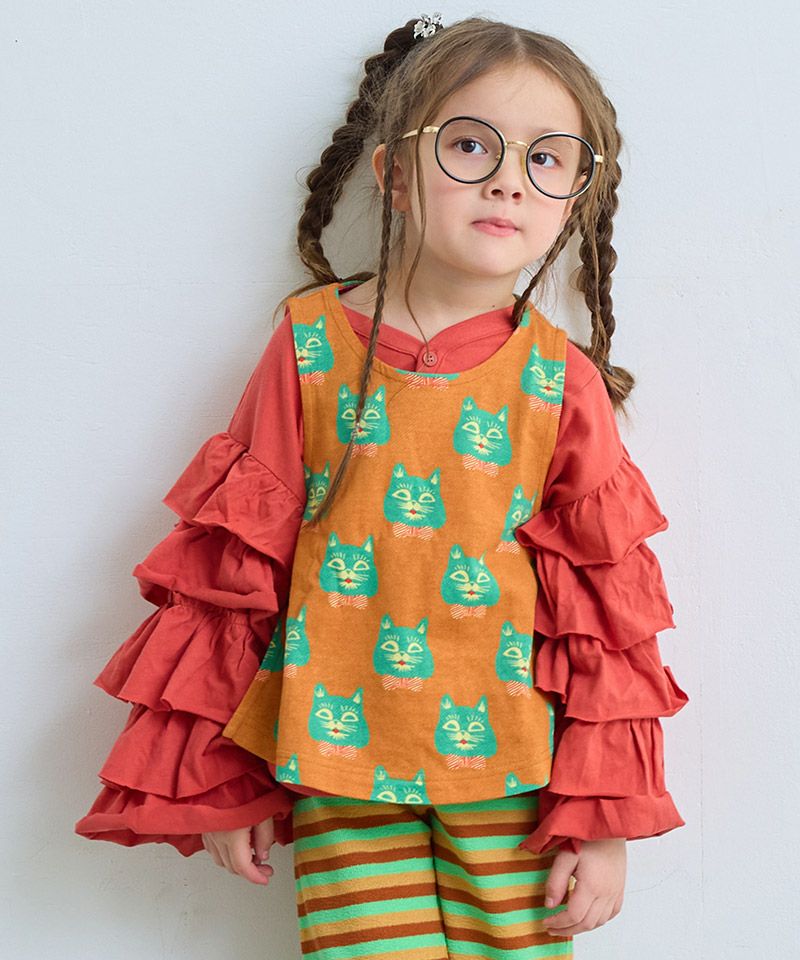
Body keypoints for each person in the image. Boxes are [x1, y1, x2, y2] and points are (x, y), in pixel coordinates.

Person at [75, 13, 689, 956]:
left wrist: (602, 819)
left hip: (515, 773)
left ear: (576, 196)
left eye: (547, 159)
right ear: (394, 171)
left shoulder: (559, 380)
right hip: (338, 754)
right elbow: (237, 566)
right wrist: (225, 774)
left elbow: (609, 614)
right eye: (471, 145)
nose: (507, 181)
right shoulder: (307, 347)